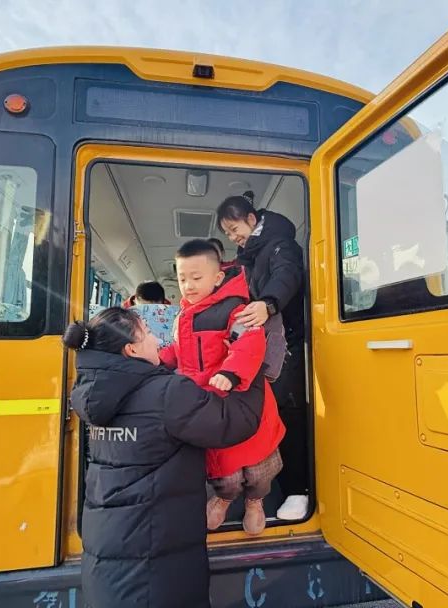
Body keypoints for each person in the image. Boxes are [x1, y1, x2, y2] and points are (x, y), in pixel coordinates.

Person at [64, 307, 267, 608]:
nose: (156, 339)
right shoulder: (167, 393)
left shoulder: (92, 395)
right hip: (157, 562)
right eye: (147, 333)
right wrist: (249, 364)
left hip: (107, 558)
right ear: (131, 349)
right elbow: (234, 421)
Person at [159, 239, 285, 534]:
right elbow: (179, 349)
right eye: (182, 278)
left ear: (217, 278)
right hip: (208, 403)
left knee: (258, 469)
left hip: (243, 399)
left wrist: (231, 372)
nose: (188, 286)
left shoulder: (236, 309)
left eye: (196, 278)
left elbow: (250, 342)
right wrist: (158, 360)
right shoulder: (182, 316)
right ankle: (224, 499)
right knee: (223, 469)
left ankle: (256, 502)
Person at [216, 191, 310, 521]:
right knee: (269, 415)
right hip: (264, 346)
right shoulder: (250, 256)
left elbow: (288, 276)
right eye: (227, 233)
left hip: (288, 345)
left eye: (233, 228)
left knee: (290, 415)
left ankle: (299, 490)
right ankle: (272, 487)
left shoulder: (282, 246)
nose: (232, 237)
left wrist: (268, 303)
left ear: (251, 220)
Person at [129, 281, 179, 348]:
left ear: (163, 302)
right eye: (144, 308)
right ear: (135, 300)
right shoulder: (122, 315)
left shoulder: (173, 315)